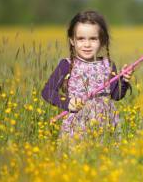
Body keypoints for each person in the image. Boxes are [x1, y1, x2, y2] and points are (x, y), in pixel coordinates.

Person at [41, 10, 133, 145]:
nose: (87, 44)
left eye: (93, 39)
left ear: (102, 41)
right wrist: (67, 102)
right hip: (76, 129)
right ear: (72, 40)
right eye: (81, 39)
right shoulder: (66, 65)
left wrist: (123, 80)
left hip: (106, 127)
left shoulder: (108, 65)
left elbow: (115, 96)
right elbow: (47, 91)